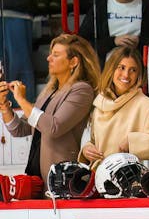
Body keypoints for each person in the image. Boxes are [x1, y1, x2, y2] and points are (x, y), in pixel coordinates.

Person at [0, 33, 100, 180]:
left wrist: (21, 100)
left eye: (56, 55)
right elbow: (20, 129)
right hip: (39, 177)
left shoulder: (82, 90)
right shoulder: (50, 91)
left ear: (73, 62)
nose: (48, 58)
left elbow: (54, 128)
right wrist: (4, 105)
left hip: (64, 179)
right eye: (50, 54)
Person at [79, 46, 149, 169]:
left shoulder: (145, 105)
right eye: (121, 67)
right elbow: (95, 141)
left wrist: (133, 143)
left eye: (133, 70)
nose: (126, 75)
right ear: (111, 69)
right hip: (98, 177)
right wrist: (87, 149)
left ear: (138, 75)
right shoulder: (100, 103)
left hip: (128, 177)